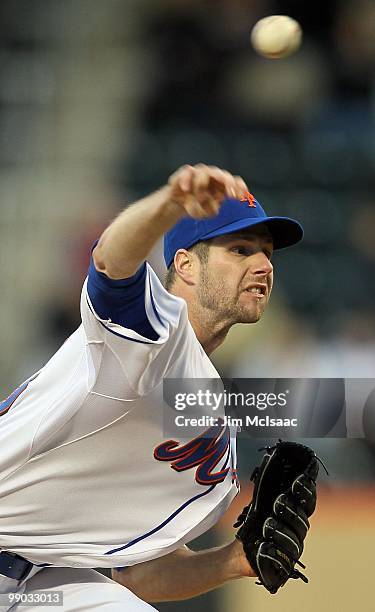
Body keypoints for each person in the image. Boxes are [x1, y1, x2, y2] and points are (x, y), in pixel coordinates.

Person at [0, 164, 303, 611]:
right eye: (240, 249)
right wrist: (169, 204)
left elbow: (141, 574)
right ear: (184, 265)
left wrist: (234, 559)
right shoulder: (154, 335)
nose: (263, 265)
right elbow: (110, 263)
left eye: (267, 254)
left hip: (41, 580)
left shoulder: (215, 426)